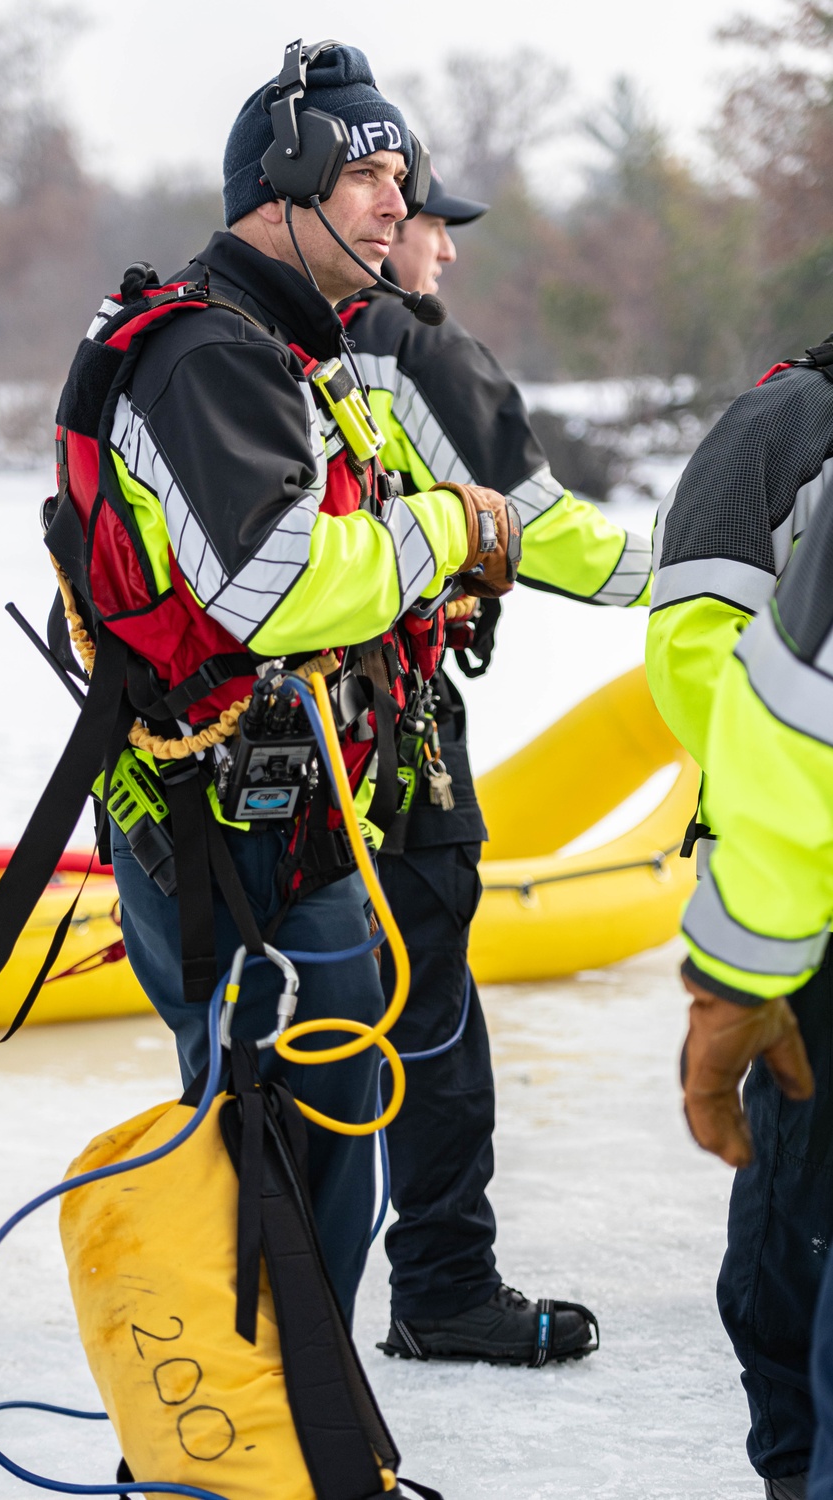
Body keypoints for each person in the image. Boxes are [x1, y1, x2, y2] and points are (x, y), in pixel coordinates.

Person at [77, 43, 514, 1331]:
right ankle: (253, 1434)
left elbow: (335, 548)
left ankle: (290, 1420)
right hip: (232, 835)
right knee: (276, 1150)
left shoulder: (288, 348)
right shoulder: (210, 355)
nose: (400, 203)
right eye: (373, 173)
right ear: (285, 182)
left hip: (293, 821)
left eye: (400, 176)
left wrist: (424, 565)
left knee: (314, 1140)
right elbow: (272, 583)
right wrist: (442, 530)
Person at [339, 166, 652, 1365]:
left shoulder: (252, 338)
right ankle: (444, 1285)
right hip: (385, 750)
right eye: (431, 226)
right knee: (433, 1018)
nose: (443, 255)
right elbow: (550, 532)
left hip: (252, 765)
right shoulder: (400, 338)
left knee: (282, 1024)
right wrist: (726, 559)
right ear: (363, 215)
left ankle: (260, 1311)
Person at [647, 340, 833, 1499]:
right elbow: (702, 667)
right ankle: (792, 1453)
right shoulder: (786, 425)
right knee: (799, 1183)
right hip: (808, 890)